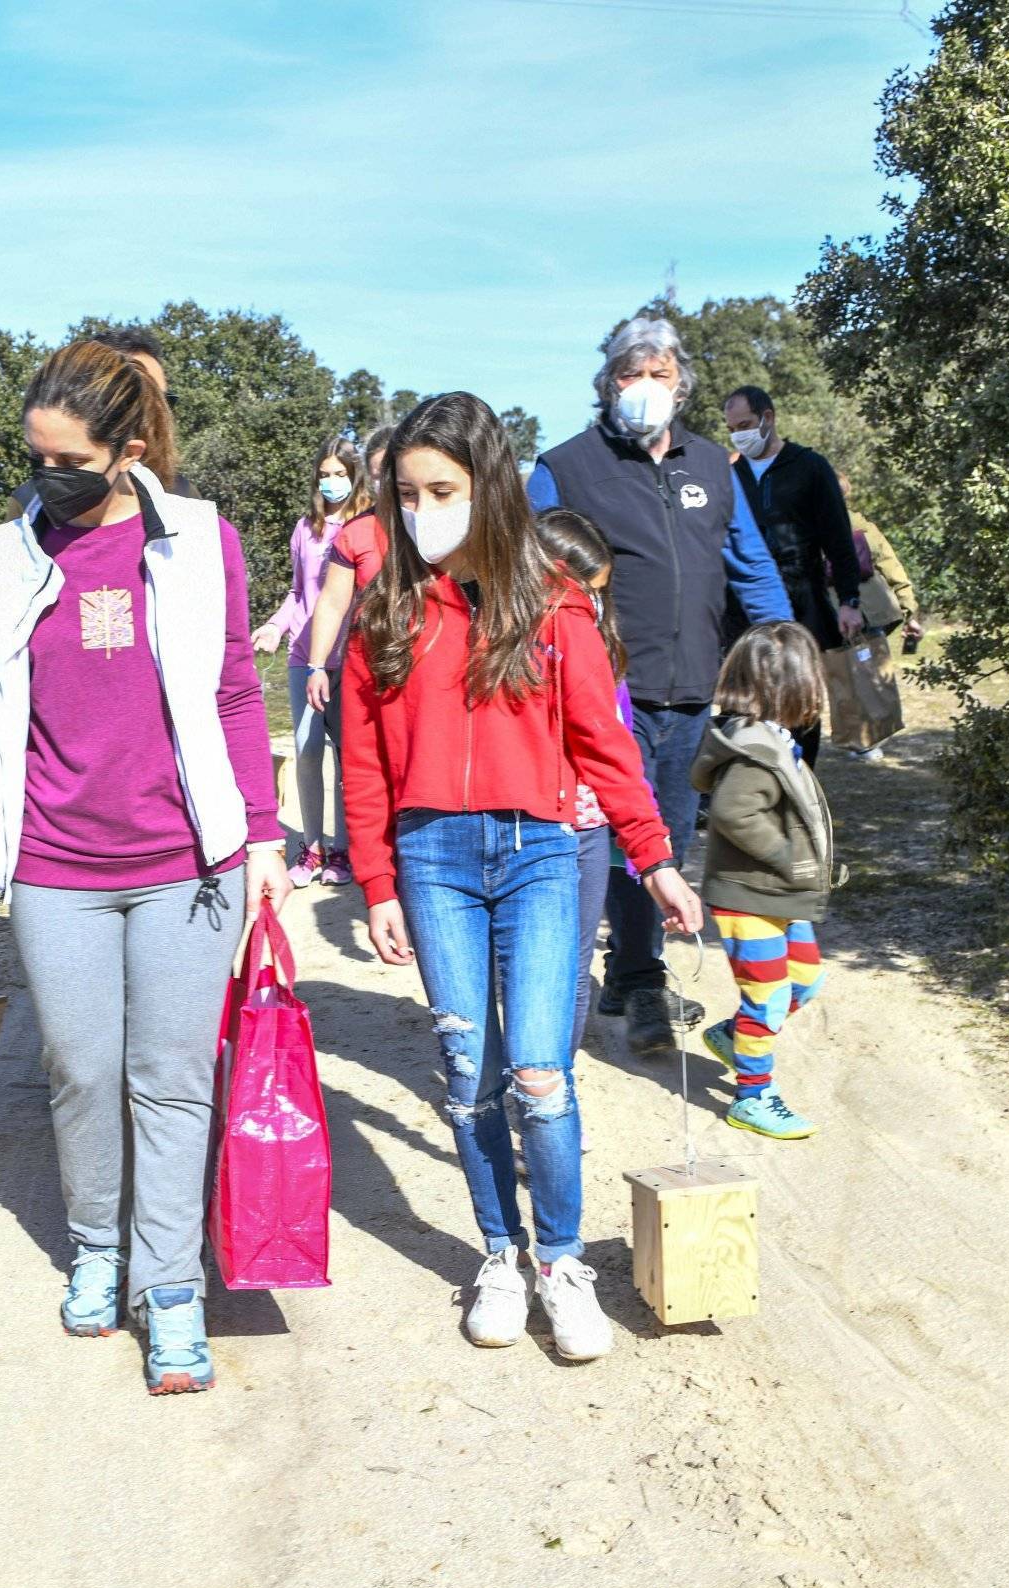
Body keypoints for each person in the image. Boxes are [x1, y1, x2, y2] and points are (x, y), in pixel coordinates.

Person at [0, 339, 288, 1397]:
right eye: (34, 459)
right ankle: (96, 1246)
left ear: (125, 450)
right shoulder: (3, 555)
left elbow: (235, 694)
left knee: (170, 1081)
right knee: (80, 1069)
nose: (47, 479)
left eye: (67, 461)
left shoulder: (202, 540)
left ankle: (170, 1290)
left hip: (185, 863)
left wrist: (261, 837)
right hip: (56, 865)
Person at [340, 393, 701, 1362]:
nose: (421, 510)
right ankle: (497, 1254)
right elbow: (363, 763)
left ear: (488, 488)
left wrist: (653, 858)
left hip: (540, 854)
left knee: (539, 1074)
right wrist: (375, 881)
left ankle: (560, 1262)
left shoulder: (552, 602)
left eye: (441, 490)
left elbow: (603, 740)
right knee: (469, 1076)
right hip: (432, 860)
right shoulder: (385, 611)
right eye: (406, 493)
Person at [527, 316, 790, 1054]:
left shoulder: (714, 465)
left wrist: (783, 646)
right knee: (618, 836)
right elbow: (526, 567)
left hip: (695, 686)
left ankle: (628, 967)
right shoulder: (566, 465)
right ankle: (640, 980)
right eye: (628, 375)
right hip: (605, 688)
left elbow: (750, 564)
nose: (642, 389)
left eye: (659, 376)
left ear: (682, 386)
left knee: (666, 835)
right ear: (606, 384)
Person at [694, 623, 835, 1141]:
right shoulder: (754, 750)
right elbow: (733, 813)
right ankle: (752, 1096)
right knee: (769, 996)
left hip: (778, 895)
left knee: (805, 980)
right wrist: (788, 859)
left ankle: (734, 1037)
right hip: (749, 895)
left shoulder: (773, 740)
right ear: (790, 686)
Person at [532, 509, 645, 1052]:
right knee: (529, 970)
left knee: (574, 966)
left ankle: (558, 1092)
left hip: (588, 831)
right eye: (586, 590)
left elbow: (612, 739)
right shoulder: (507, 648)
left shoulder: (601, 644)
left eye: (601, 592)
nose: (595, 604)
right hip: (530, 828)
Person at [722, 386, 865, 769]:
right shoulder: (728, 477)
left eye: (746, 424)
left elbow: (839, 538)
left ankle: (801, 775)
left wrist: (850, 601)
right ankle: (752, 776)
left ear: (768, 417)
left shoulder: (810, 467)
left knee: (798, 693)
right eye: (733, 428)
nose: (739, 434)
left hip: (804, 599)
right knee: (744, 696)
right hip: (740, 606)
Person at [252, 437, 369, 885]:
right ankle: (311, 849)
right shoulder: (306, 528)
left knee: (345, 761)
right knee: (305, 752)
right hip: (305, 657)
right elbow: (298, 594)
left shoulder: (365, 527)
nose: (331, 481)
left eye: (339, 473)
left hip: (351, 659)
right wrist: (275, 626)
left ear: (354, 476)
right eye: (324, 473)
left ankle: (342, 851)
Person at [3, 325, 199, 516]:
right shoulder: (28, 508)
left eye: (162, 402)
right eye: (132, 400)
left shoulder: (185, 501)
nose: (151, 414)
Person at [295, 425, 397, 724]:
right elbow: (332, 602)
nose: (386, 482)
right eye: (379, 475)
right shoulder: (355, 532)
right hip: (364, 670)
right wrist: (315, 666)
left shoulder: (429, 530)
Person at [836, 470, 920, 649]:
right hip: (874, 615)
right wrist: (909, 612)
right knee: (879, 673)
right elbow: (893, 570)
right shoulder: (865, 528)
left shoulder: (805, 531)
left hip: (835, 622)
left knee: (842, 675)